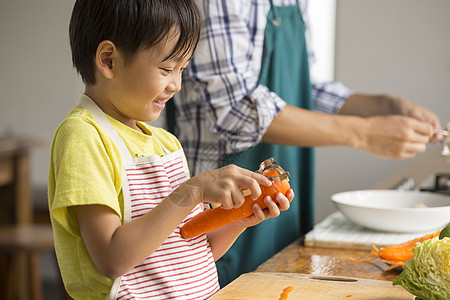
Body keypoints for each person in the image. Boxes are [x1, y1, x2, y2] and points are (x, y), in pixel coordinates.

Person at [169, 0, 442, 286]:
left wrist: (380, 106)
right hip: (224, 204)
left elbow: (303, 87)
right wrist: (364, 133)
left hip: (278, 199)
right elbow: (235, 108)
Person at [47, 0, 294, 299]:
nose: (176, 84)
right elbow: (112, 259)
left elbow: (190, 251)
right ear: (109, 60)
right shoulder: (84, 136)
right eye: (166, 68)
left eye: (182, 69)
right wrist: (192, 190)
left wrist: (243, 217)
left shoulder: (166, 145)